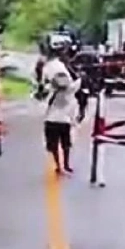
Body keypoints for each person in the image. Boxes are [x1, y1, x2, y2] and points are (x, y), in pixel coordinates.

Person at [40, 35, 81, 174]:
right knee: (62, 141)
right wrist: (79, 82)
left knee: (61, 141)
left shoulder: (54, 65)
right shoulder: (57, 67)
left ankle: (62, 165)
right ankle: (62, 165)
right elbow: (63, 85)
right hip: (58, 110)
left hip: (60, 110)